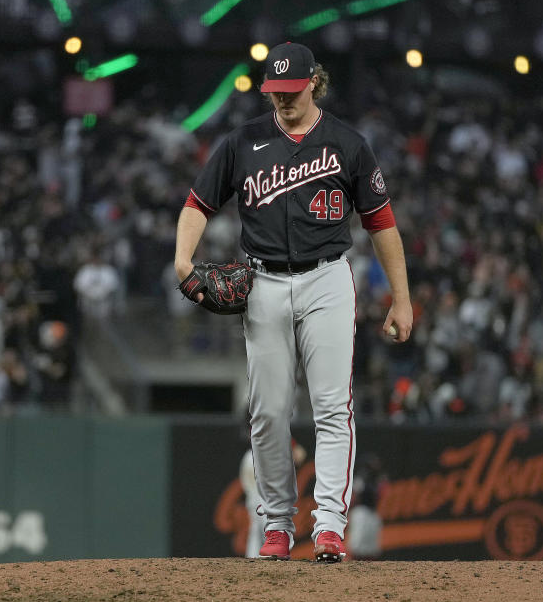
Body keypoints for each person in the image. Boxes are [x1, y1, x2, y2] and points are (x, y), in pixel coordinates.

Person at [174, 42, 412, 562]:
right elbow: (198, 202)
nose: (280, 99)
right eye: (273, 91)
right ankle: (278, 526)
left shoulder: (348, 143)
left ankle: (329, 525)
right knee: (267, 413)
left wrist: (402, 298)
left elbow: (381, 224)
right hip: (262, 281)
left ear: (313, 83)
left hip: (327, 277)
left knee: (332, 407)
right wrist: (182, 259)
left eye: (289, 90)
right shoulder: (244, 141)